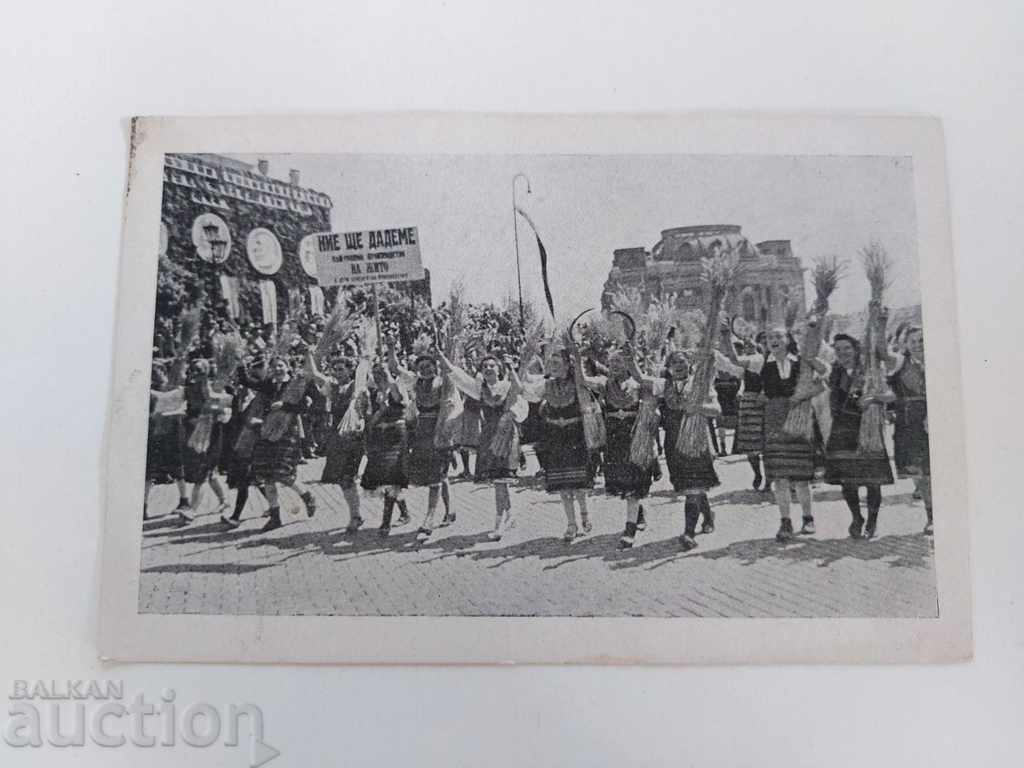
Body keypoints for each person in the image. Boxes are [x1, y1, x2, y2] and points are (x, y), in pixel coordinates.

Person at [722, 327, 820, 541]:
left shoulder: (801, 362)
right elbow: (735, 360)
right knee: (780, 478)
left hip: (798, 421)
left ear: (788, 339)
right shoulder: (762, 365)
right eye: (769, 338)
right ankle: (785, 521)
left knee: (802, 478)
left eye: (778, 336)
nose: (773, 340)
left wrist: (803, 395)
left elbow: (824, 378)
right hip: (774, 424)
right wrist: (724, 337)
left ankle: (808, 517)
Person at [440, 352, 528, 540]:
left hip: (506, 436)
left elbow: (522, 405)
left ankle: (498, 524)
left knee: (500, 481)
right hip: (488, 437)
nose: (488, 369)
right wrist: (442, 356)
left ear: (499, 369)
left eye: (492, 366)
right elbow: (458, 376)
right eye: (485, 366)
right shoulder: (480, 389)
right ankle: (509, 515)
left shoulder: (508, 386)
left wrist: (512, 414)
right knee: (499, 481)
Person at [519, 338, 596, 543]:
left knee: (578, 484)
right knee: (562, 485)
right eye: (550, 363)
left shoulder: (577, 384)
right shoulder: (546, 385)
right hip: (555, 438)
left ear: (566, 364)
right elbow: (526, 392)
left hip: (575, 437)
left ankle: (585, 515)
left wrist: (576, 355)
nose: (551, 367)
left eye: (556, 363)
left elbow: (583, 378)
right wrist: (522, 362)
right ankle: (571, 524)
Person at [823, 334, 895, 538]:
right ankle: (857, 517)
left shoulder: (871, 371)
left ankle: (872, 522)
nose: (843, 353)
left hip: (867, 428)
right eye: (838, 349)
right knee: (848, 481)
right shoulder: (835, 372)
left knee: (873, 480)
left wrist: (873, 398)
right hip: (842, 430)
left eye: (847, 348)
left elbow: (892, 394)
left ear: (856, 349)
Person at [240, 356, 318, 532]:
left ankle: (307, 496)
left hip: (287, 432)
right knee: (267, 475)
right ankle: (275, 518)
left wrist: (285, 406)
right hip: (267, 430)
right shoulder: (269, 384)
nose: (278, 369)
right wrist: (240, 362)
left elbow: (306, 407)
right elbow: (245, 380)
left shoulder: (296, 384)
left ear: (288, 367)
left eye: (281, 366)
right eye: (274, 367)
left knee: (283, 473)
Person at [390, 349, 460, 542]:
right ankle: (450, 510)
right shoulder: (416, 382)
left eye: (429, 366)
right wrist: (390, 347)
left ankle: (428, 520)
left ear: (435, 366)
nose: (426, 369)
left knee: (436, 477)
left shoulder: (444, 382)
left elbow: (451, 403)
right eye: (421, 367)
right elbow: (395, 368)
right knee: (437, 475)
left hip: (440, 431)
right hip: (422, 434)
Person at [656, 350, 722, 551]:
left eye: (683, 362)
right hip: (673, 445)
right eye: (674, 362)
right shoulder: (663, 386)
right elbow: (640, 378)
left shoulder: (700, 385)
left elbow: (717, 410)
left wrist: (697, 406)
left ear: (689, 365)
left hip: (696, 443)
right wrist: (630, 359)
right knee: (691, 486)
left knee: (693, 488)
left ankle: (688, 533)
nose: (679, 366)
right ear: (668, 367)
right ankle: (709, 515)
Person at [598, 346, 654, 549]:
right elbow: (584, 382)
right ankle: (638, 513)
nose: (614, 365)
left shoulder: (638, 385)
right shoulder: (605, 385)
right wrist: (577, 359)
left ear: (628, 364)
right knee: (625, 484)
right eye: (612, 362)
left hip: (635, 438)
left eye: (619, 362)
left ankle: (629, 529)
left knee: (634, 484)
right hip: (615, 440)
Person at [889, 326, 932, 534]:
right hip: (910, 421)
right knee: (921, 472)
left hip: (937, 416)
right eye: (913, 341)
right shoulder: (901, 363)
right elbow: (881, 352)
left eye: (921, 340)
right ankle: (931, 515)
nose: (917, 345)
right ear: (905, 344)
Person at [360, 360, 410, 537]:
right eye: (376, 373)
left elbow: (399, 400)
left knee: (391, 478)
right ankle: (404, 512)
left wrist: (388, 377)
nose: (379, 376)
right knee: (384, 479)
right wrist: (380, 411)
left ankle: (386, 522)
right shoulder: (371, 393)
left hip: (397, 436)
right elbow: (370, 421)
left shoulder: (396, 387)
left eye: (382, 373)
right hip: (379, 438)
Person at [317, 357, 367, 533]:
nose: (338, 373)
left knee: (348, 477)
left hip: (353, 438)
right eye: (335, 370)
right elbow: (315, 375)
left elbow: (363, 409)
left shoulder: (358, 386)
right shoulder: (333, 388)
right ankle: (356, 514)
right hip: (337, 438)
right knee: (342, 479)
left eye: (341, 369)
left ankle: (355, 516)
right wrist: (310, 354)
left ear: (349, 370)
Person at [177, 359, 230, 522]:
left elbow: (222, 405)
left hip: (211, 433)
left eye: (199, 371)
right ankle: (225, 502)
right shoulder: (189, 387)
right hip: (196, 432)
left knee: (202, 473)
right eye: (193, 369)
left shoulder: (213, 388)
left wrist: (219, 409)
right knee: (210, 473)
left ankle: (192, 510)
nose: (194, 373)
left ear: (206, 372)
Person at [144, 364, 188, 520]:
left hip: (165, 434)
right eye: (160, 372)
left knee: (156, 471)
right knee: (158, 471)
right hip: (163, 435)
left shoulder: (171, 392)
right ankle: (184, 501)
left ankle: (183, 501)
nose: (162, 374)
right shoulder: (157, 393)